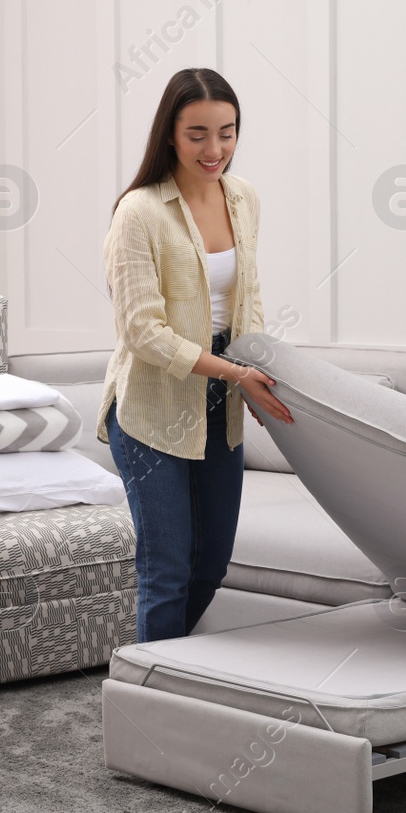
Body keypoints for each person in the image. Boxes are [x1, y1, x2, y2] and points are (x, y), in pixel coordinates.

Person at [96, 68, 293, 643]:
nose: (215, 150)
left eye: (227, 133)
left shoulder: (244, 198)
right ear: (170, 135)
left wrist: (256, 375)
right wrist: (236, 371)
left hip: (219, 401)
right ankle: (154, 700)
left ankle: (159, 679)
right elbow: (143, 332)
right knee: (168, 571)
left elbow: (248, 299)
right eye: (198, 134)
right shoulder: (140, 212)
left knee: (211, 564)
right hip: (151, 408)